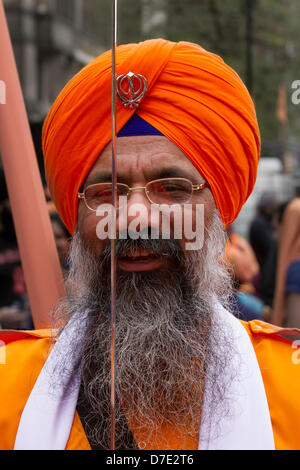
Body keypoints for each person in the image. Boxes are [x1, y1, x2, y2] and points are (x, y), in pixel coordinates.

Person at [0, 39, 299, 451]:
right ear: (76, 212)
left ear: (220, 211)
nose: (136, 217)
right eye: (107, 191)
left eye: (173, 187)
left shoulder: (291, 385)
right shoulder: (8, 386)